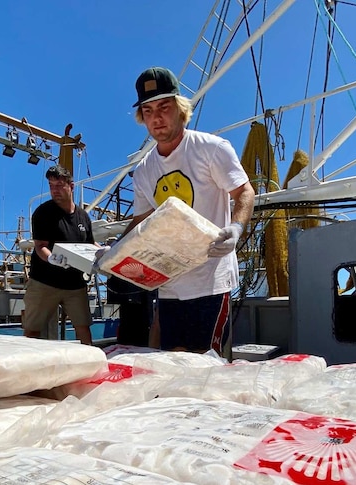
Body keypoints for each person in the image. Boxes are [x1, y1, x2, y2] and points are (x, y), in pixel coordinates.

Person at [98, 66, 255, 358]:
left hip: (211, 279)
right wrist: (114, 249)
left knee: (207, 362)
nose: (156, 117)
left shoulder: (211, 149)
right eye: (148, 110)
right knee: (174, 360)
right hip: (170, 283)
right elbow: (141, 220)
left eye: (164, 107)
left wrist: (236, 228)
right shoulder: (144, 170)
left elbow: (244, 191)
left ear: (180, 110)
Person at [22, 164, 95, 345]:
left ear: (71, 186)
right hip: (44, 282)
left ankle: (92, 364)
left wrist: (106, 252)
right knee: (32, 330)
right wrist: (51, 258)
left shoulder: (83, 217)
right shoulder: (42, 213)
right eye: (51, 186)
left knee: (83, 327)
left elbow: (90, 244)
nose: (54, 190)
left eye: (59, 185)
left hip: (75, 284)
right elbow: (40, 246)